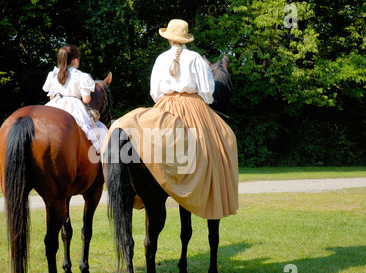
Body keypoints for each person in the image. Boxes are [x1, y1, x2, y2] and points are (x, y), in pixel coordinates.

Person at [103, 19, 239, 219]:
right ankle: (208, 188)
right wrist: (200, 101)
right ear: (186, 39)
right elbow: (208, 91)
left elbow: (154, 92)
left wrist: (167, 101)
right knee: (224, 139)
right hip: (194, 106)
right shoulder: (195, 59)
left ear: (169, 39)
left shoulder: (160, 59)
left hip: (164, 105)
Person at [42, 44, 108, 153]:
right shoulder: (81, 76)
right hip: (74, 107)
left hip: (54, 105)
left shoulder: (53, 75)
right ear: (75, 60)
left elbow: (51, 97)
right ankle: (104, 159)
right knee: (100, 129)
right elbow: (86, 99)